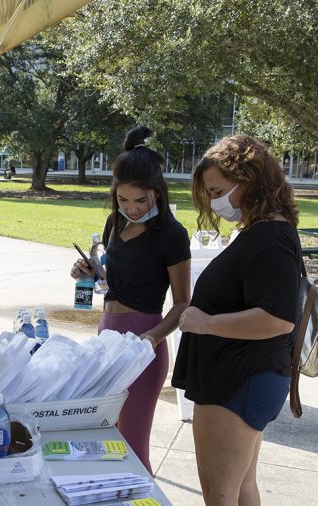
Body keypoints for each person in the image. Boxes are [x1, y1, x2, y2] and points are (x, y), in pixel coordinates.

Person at [174, 135, 300, 506]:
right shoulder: (263, 231)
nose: (214, 201)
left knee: (220, 493)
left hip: (237, 381)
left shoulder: (270, 239)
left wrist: (204, 323)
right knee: (240, 487)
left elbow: (277, 319)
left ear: (248, 180)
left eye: (218, 190)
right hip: (240, 377)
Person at [69, 126, 191, 473]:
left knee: (133, 447)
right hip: (107, 334)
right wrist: (89, 272)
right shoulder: (114, 223)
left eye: (141, 200)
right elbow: (114, 280)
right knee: (106, 439)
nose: (132, 208)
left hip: (143, 341)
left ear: (157, 192)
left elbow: (183, 304)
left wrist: (151, 338)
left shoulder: (172, 234)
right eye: (123, 200)